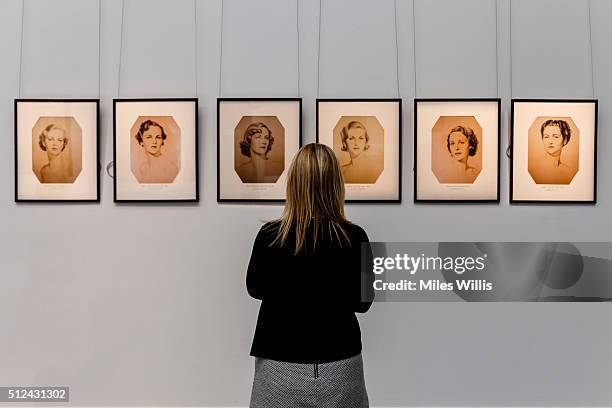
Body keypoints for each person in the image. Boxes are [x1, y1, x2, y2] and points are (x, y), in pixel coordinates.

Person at [246, 143, 375, 408]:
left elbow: (255, 288)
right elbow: (363, 303)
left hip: (279, 365)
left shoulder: (270, 236)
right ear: (336, 185)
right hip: (339, 363)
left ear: (293, 183)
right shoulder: (354, 237)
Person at [134, 119, 179, 183]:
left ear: (162, 141)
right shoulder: (143, 168)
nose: (154, 141)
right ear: (141, 141)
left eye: (158, 137)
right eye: (149, 137)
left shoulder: (170, 169)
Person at [536, 119, 573, 184]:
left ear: (565, 140)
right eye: (546, 137)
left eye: (556, 137)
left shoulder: (569, 172)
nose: (550, 142)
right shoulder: (536, 170)